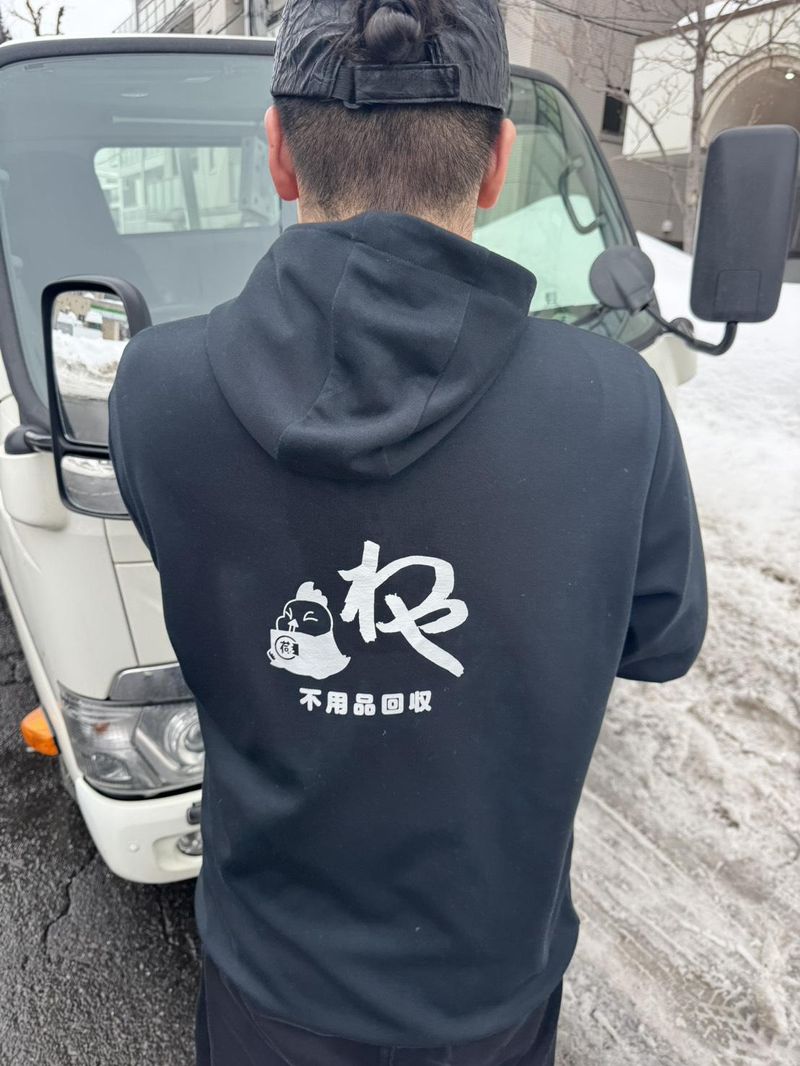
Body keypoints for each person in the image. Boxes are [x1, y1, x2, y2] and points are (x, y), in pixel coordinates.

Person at [108, 1, 708, 1062]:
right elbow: (658, 639)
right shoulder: (615, 404)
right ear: (498, 164)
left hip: (268, 983)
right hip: (492, 988)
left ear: (277, 153)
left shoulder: (157, 390)